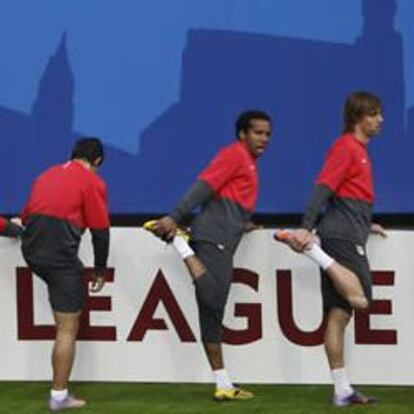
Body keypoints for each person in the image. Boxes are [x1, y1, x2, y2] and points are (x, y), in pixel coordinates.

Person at [144, 110, 272, 401]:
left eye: (267, 134)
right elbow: (204, 187)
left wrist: (244, 224)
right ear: (242, 134)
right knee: (213, 298)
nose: (263, 138)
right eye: (258, 132)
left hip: (223, 238)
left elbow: (231, 201)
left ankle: (223, 384)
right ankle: (179, 243)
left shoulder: (248, 163)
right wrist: (175, 217)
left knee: (211, 316)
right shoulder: (234, 155)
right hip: (213, 239)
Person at [274, 91, 386, 406]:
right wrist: (305, 228)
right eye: (374, 114)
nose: (381, 120)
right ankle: (314, 251)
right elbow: (323, 187)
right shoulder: (346, 147)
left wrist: (368, 224)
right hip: (341, 236)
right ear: (358, 117)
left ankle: (341, 391)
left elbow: (350, 197)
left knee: (338, 316)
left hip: (350, 230)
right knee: (361, 300)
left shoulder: (359, 151)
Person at [21, 137, 110, 411]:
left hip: (32, 253)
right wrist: (100, 270)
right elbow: (100, 232)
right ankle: (59, 397)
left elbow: (26, 218)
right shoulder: (93, 181)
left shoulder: (46, 174)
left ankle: (59, 393)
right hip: (59, 258)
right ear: (96, 162)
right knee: (67, 329)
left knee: (63, 315)